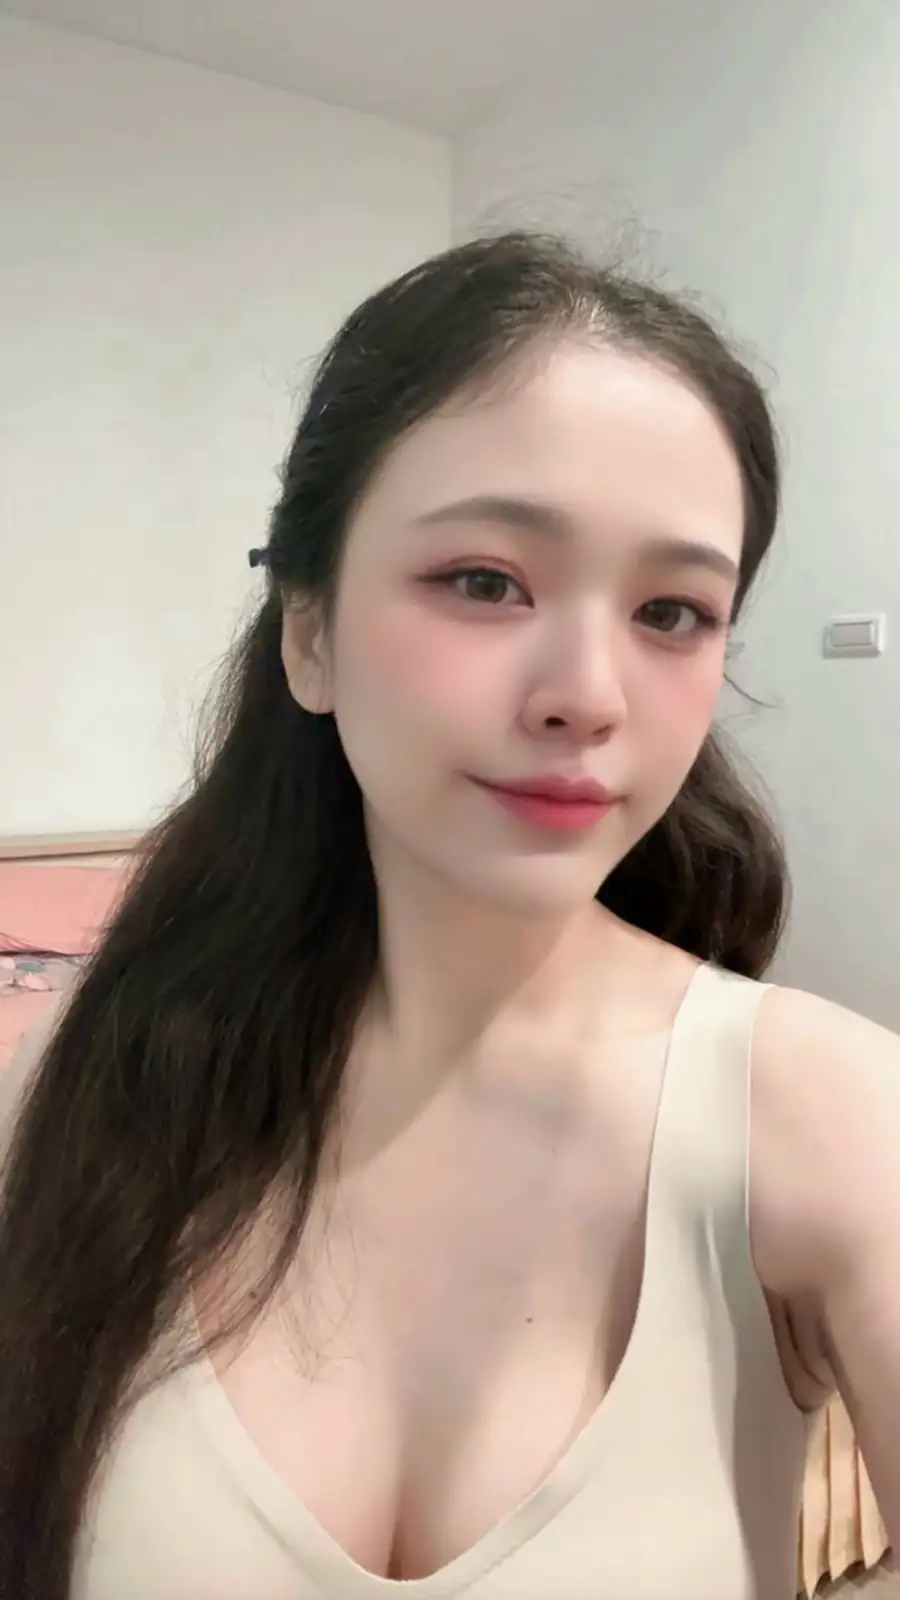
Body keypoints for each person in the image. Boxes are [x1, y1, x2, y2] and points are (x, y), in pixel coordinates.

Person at [1, 231, 898, 1600]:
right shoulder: (70, 1094)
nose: (586, 693)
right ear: (309, 632)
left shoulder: (830, 1118)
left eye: (672, 611)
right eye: (485, 581)